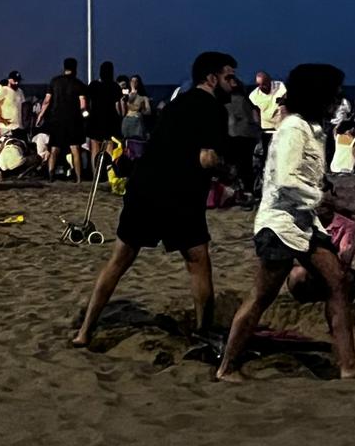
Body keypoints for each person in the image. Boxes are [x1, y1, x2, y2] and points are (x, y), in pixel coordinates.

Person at [72, 52, 238, 348]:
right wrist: (229, 174)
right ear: (211, 79)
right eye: (229, 77)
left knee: (119, 260)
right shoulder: (213, 110)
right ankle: (203, 330)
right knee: (198, 262)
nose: (234, 83)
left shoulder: (176, 104)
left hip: (144, 187)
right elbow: (207, 158)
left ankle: (85, 331)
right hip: (179, 194)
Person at [218, 63, 355, 381]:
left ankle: (348, 366)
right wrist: (325, 200)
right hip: (280, 224)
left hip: (304, 224)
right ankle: (227, 367)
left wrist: (324, 195)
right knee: (261, 295)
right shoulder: (294, 129)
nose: (338, 99)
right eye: (334, 93)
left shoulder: (310, 128)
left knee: (338, 281)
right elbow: (286, 180)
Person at [38, 58, 89, 182]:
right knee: (75, 149)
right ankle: (78, 177)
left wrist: (40, 115)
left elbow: (47, 101)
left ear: (64, 67)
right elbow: (83, 104)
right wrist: (85, 115)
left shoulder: (54, 82)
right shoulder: (79, 84)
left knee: (54, 148)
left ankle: (50, 175)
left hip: (56, 118)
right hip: (73, 120)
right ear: (75, 68)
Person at [224, 76, 262, 195]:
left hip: (238, 135)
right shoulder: (243, 99)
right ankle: (247, 190)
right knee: (245, 165)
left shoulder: (234, 99)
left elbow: (237, 118)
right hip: (245, 135)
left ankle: (244, 190)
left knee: (241, 165)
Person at [85, 61, 123, 172]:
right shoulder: (115, 86)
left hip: (95, 118)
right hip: (110, 118)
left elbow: (88, 101)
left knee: (95, 148)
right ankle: (110, 172)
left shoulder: (93, 85)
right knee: (109, 147)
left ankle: (95, 172)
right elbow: (117, 105)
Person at [248, 71, 286, 151]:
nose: (262, 87)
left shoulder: (280, 86)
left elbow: (285, 103)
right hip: (267, 129)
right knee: (267, 153)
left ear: (270, 81)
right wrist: (257, 125)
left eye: (264, 84)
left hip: (281, 127)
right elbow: (255, 111)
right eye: (259, 85)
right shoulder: (253, 95)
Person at [0, 71, 27, 139]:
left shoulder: (20, 91)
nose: (16, 83)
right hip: (6, 127)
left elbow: (23, 107)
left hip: (18, 126)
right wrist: (0, 118)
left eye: (18, 81)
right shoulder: (3, 90)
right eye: (15, 81)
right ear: (9, 79)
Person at [120, 75, 151, 140]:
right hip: (127, 120)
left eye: (136, 81)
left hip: (137, 121)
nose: (133, 83)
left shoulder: (143, 97)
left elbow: (148, 111)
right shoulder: (126, 95)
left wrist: (142, 109)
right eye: (132, 81)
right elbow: (123, 112)